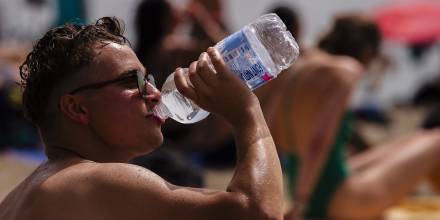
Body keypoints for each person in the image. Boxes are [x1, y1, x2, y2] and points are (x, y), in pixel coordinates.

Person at [0, 17, 284, 220]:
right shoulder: (94, 181)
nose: (154, 92)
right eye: (131, 80)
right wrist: (247, 112)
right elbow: (259, 213)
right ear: (77, 109)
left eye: (147, 78)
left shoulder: (18, 199)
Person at [256, 7, 440, 220]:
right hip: (339, 200)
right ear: (367, 50)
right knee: (436, 139)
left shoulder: (299, 68)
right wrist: (300, 202)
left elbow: (272, 128)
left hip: (304, 183)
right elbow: (319, 139)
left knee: (417, 139)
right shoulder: (346, 71)